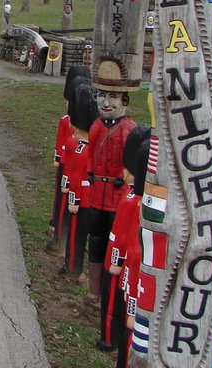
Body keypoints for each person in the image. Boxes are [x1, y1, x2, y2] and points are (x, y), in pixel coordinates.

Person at [84, 60, 137, 312]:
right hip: (97, 195)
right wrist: (90, 174)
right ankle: (94, 290)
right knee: (95, 240)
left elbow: (132, 162)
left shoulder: (128, 130)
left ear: (124, 101)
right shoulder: (96, 126)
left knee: (115, 245)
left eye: (112, 98)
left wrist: (123, 177)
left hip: (117, 197)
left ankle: (111, 292)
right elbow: (89, 154)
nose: (106, 103)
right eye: (102, 96)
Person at [101, 124, 151, 355]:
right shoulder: (132, 199)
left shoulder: (131, 201)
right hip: (129, 264)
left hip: (130, 267)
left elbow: (119, 236)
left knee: (116, 307)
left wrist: (116, 260)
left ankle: (110, 339)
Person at [48, 65, 91, 254]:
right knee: (61, 199)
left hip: (76, 176)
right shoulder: (66, 121)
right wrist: (59, 158)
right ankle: (57, 232)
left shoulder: (83, 142)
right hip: (69, 169)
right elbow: (62, 141)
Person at [63, 82, 99, 278]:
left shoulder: (87, 147)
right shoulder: (81, 150)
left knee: (82, 234)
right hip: (82, 200)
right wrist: (73, 201)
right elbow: (76, 176)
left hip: (89, 199)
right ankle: (72, 266)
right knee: (76, 235)